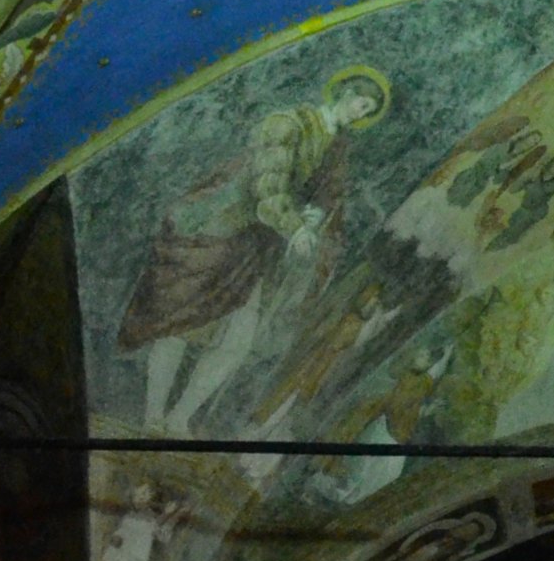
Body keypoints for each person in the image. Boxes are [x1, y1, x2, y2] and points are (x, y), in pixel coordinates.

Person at [118, 65, 390, 432]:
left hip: (258, 249)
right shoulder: (287, 124)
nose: (360, 114)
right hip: (220, 232)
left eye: (368, 111)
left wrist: (314, 217)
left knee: (236, 343)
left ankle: (179, 418)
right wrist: (296, 227)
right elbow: (268, 187)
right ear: (345, 93)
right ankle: (152, 415)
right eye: (361, 103)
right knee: (180, 323)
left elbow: (329, 195)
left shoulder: (336, 149)